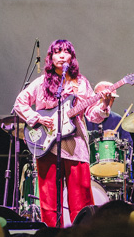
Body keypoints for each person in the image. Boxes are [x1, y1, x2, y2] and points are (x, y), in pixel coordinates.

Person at [14, 39, 113, 226]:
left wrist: (104, 104)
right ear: (50, 57)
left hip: (76, 145)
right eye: (57, 52)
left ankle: (82, 236)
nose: (61, 56)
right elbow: (20, 103)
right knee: (48, 200)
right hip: (47, 145)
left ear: (72, 57)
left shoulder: (81, 83)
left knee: (81, 199)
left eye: (66, 52)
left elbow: (92, 115)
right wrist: (37, 118)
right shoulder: (41, 82)